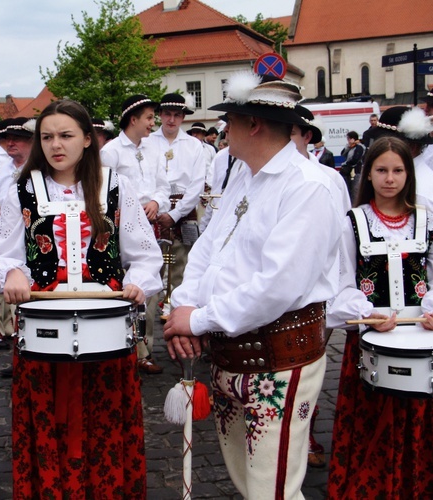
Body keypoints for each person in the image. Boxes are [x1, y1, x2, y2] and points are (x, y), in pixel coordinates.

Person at [164, 74, 341, 499]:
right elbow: (210, 248)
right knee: (249, 481)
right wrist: (186, 309)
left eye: (231, 122)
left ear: (254, 124)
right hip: (231, 351)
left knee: (271, 488)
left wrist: (200, 318)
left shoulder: (308, 186)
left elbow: (278, 286)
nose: (224, 131)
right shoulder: (245, 174)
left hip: (279, 356)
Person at [0, 99, 162, 497]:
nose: (55, 145)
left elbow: (145, 256)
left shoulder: (116, 185)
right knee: (49, 426)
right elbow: (3, 258)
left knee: (103, 425)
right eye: (46, 137)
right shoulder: (22, 189)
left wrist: (138, 283)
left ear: (87, 139)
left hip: (105, 332)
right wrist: (12, 272)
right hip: (43, 333)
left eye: (65, 135)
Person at [326, 137, 433, 499]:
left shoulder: (429, 222)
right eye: (382, 170)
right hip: (371, 340)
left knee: (415, 416)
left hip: (420, 340)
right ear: (368, 174)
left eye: (398, 170)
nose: (390, 178)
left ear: (409, 173)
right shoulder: (352, 223)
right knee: (370, 416)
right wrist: (366, 312)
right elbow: (340, 283)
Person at [292, 104, 351, 469]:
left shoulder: (328, 178)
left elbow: (343, 238)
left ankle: (307, 432)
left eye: (292, 133)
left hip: (316, 293)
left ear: (306, 137)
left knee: (311, 371)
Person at [101, 94, 170, 374]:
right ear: (133, 119)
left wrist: (156, 201)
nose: (153, 124)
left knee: (148, 287)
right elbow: (103, 192)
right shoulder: (111, 151)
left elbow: (163, 185)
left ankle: (144, 348)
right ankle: (121, 343)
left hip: (150, 223)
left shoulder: (154, 149)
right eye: (149, 118)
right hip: (119, 228)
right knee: (123, 285)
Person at [147, 93, 206, 319]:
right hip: (153, 210)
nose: (171, 120)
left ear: (183, 118)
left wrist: (174, 214)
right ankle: (146, 337)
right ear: (160, 115)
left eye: (177, 115)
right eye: (167, 114)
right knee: (151, 270)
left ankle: (178, 321)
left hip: (184, 211)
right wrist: (159, 211)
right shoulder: (147, 142)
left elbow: (197, 185)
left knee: (182, 269)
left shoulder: (194, 145)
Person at [0, 118, 36, 352]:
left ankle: (21, 337)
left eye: (17, 138)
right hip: (5, 234)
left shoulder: (38, 170)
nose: (10, 143)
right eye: (5, 139)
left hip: (33, 239)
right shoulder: (3, 171)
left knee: (24, 292)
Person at [339, 131, 364, 198]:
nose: (348, 140)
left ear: (354, 139)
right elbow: (342, 154)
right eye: (348, 139)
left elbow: (355, 159)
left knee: (354, 189)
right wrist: (347, 146)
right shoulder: (349, 147)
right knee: (348, 188)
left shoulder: (359, 147)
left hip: (355, 170)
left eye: (350, 139)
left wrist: (347, 163)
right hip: (348, 171)